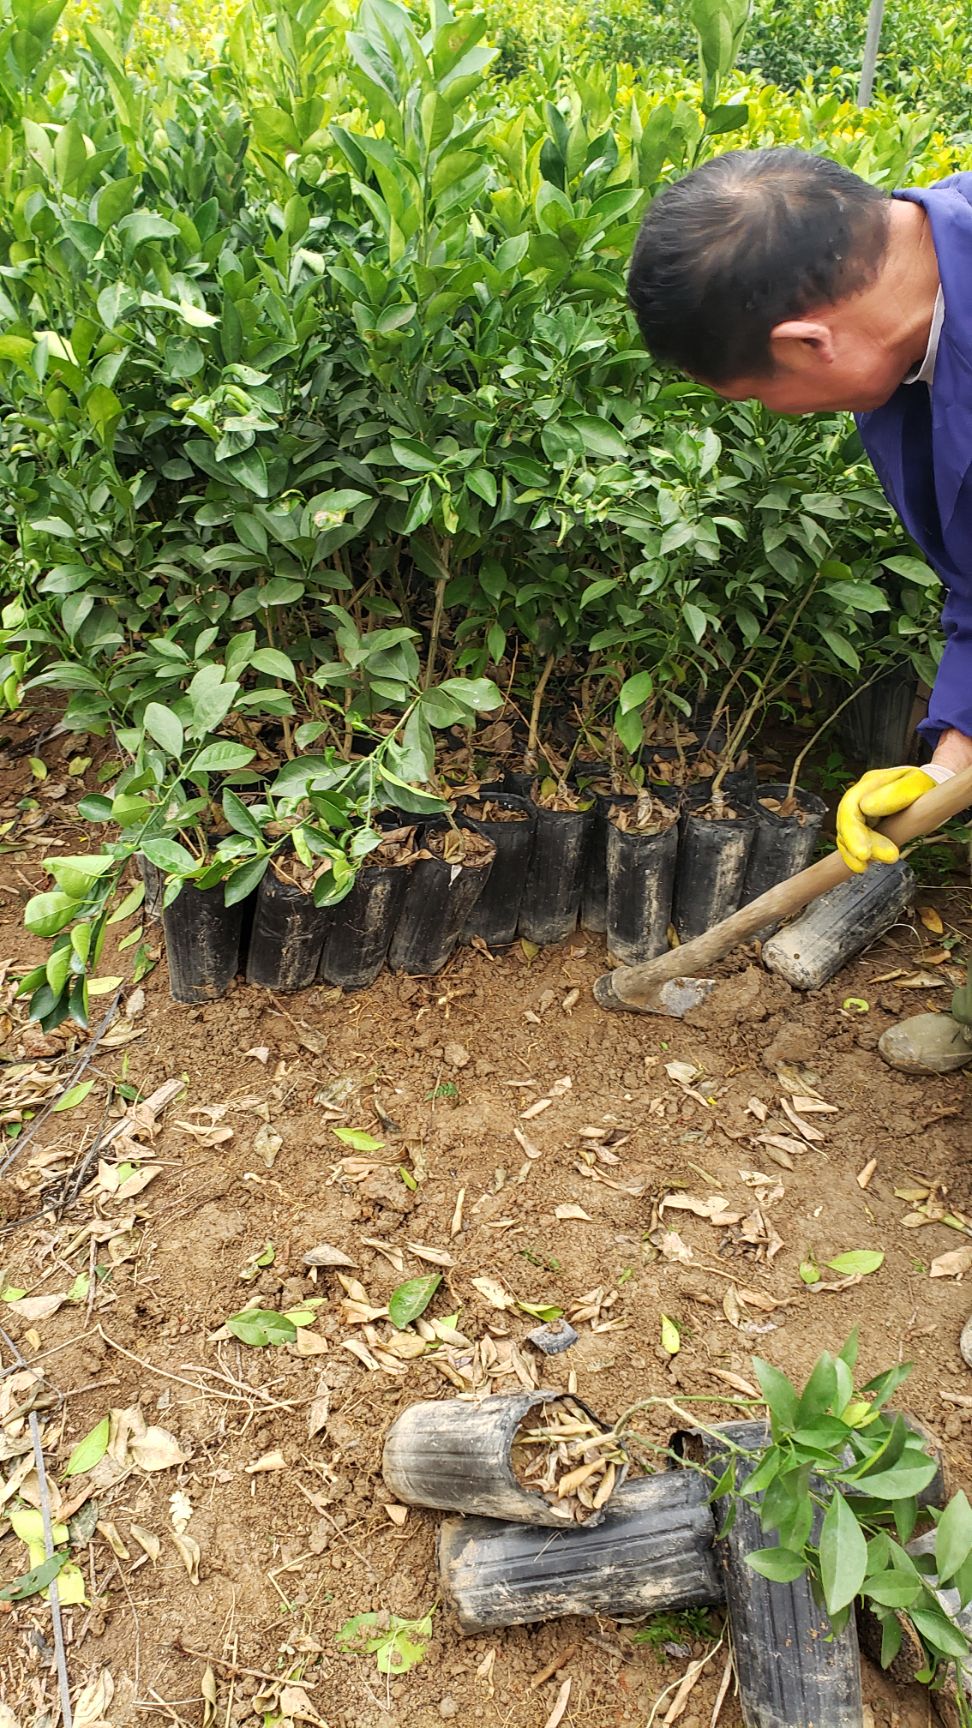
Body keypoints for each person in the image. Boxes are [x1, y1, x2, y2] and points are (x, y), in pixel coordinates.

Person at [627, 149, 971, 1004]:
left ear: (806, 341)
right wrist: (953, 750)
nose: (773, 414)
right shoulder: (906, 346)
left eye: (753, 396)